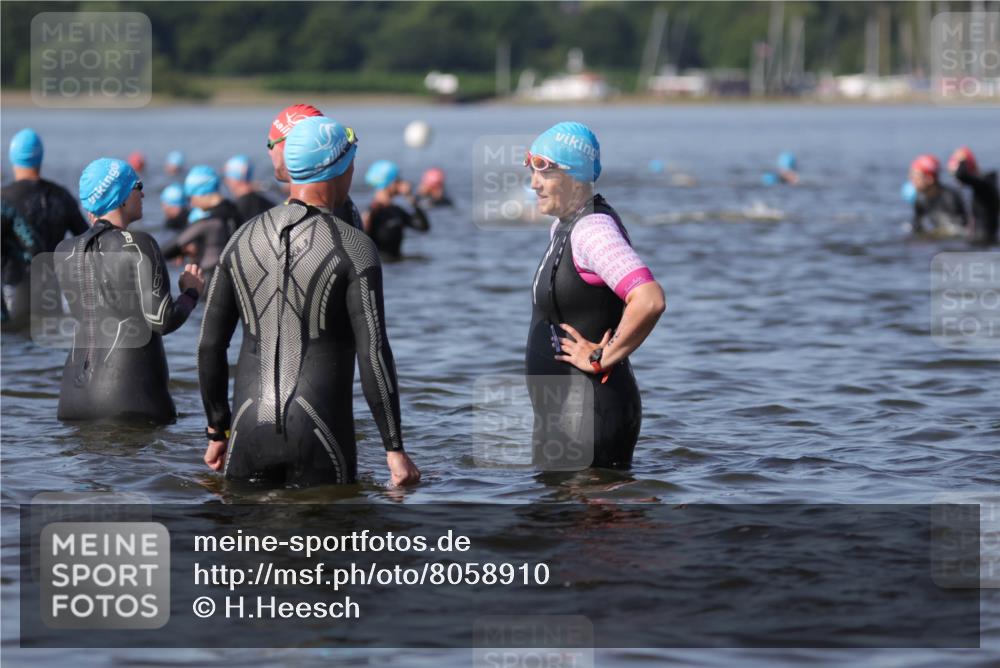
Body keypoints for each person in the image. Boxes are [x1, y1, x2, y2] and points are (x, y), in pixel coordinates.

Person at [198, 116, 420, 487]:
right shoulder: (354, 246)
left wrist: (217, 429)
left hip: (246, 432)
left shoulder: (239, 238)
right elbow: (374, 352)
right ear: (341, 168)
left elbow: (209, 345)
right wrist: (394, 448)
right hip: (322, 434)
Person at [524, 122, 665, 470]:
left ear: (574, 176)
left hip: (593, 413)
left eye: (545, 171)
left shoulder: (592, 230)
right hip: (566, 415)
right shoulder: (565, 224)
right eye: (531, 169)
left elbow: (649, 299)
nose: (533, 183)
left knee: (591, 522)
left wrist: (601, 356)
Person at [55, 158, 204, 423]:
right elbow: (163, 320)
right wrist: (191, 294)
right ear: (120, 196)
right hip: (130, 401)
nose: (144, 193)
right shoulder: (139, 244)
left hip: (72, 402)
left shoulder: (63, 251)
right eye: (138, 186)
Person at [2, 128, 88, 328]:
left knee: (14, 343)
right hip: (50, 292)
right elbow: (86, 241)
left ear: (12, 156)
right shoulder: (61, 196)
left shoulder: (4, 199)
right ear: (41, 156)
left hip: (12, 291)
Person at [266, 103, 363, 229]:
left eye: (270, 144)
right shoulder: (337, 199)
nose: (269, 151)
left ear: (292, 148)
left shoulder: (331, 208)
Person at [162, 165, 240, 274]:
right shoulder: (236, 210)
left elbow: (167, 250)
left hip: (212, 278)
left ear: (201, 193)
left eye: (191, 197)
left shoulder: (209, 221)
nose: (191, 203)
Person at [363, 160, 430, 260]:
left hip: (397, 265)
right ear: (388, 183)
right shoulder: (372, 212)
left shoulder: (397, 211)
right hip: (382, 266)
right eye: (397, 180)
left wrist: (411, 198)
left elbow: (423, 227)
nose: (401, 183)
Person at [948, 146, 998, 246]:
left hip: (984, 244)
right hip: (983, 241)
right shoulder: (983, 185)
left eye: (954, 174)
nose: (955, 179)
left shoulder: (984, 185)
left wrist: (962, 159)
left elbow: (961, 175)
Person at [908, 154, 967, 238]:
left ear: (929, 179)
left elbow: (960, 229)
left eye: (915, 176)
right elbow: (917, 226)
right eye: (911, 176)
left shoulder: (949, 197)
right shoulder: (920, 198)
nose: (911, 180)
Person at [224, 154, 275, 221]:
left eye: (227, 177)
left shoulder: (238, 209)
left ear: (234, 180)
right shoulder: (266, 200)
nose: (225, 181)